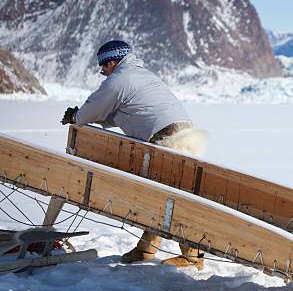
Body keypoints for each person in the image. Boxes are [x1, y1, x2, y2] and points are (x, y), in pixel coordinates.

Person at [61, 40, 204, 270]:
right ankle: (147, 249)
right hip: (181, 133)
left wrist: (76, 117)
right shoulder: (138, 75)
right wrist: (86, 117)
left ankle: (192, 257)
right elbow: (113, 114)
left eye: (103, 66)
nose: (102, 71)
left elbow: (96, 106)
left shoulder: (119, 80)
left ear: (113, 61)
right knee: (161, 194)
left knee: (169, 198)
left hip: (166, 137)